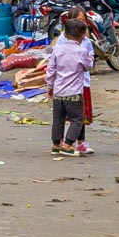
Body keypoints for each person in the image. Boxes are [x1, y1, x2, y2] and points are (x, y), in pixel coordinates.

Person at [48, 10, 95, 155]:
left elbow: (51, 69)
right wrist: (91, 59)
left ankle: (56, 144)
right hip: (74, 93)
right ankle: (68, 144)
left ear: (65, 34)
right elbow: (88, 66)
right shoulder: (81, 51)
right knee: (77, 120)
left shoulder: (58, 50)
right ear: (82, 36)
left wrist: (50, 85)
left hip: (58, 92)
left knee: (58, 119)